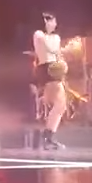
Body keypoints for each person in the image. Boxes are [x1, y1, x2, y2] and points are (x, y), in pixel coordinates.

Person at [32, 14, 77, 151]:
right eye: (53, 22)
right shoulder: (39, 34)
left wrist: (63, 62)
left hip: (53, 69)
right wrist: (57, 43)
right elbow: (51, 48)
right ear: (46, 21)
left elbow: (57, 54)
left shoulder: (52, 37)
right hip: (47, 68)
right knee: (59, 104)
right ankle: (47, 136)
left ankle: (48, 136)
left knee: (58, 105)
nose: (55, 25)